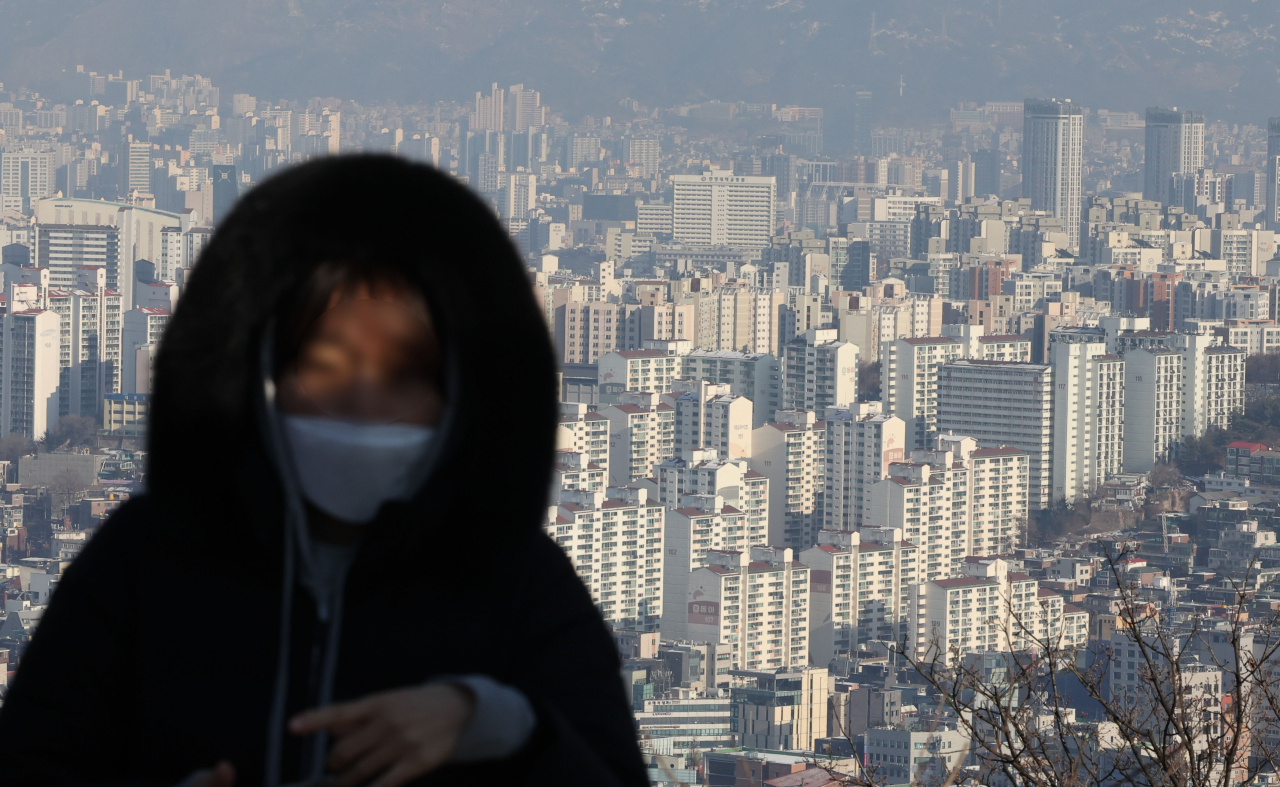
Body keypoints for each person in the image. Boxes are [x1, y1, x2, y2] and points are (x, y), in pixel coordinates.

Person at [0, 156, 649, 787]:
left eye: (403, 374)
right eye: (326, 363)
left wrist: (496, 722)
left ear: (458, 393)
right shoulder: (144, 560)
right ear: (263, 376)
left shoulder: (517, 581)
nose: (362, 398)